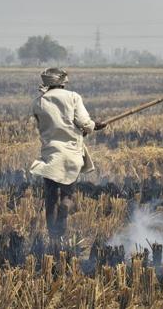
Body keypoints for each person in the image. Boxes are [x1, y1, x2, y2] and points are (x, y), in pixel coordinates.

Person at [30, 68, 106, 243]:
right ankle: (64, 212)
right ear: (62, 82)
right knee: (67, 195)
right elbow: (85, 124)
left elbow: (49, 127)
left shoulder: (38, 103)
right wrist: (94, 125)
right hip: (71, 155)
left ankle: (53, 237)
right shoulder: (73, 97)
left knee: (50, 197)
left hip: (51, 156)